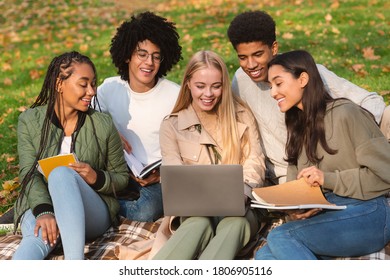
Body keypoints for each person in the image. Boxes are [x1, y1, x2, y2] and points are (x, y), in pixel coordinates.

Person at [254, 50, 390, 260]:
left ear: (303, 79)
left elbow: (386, 175)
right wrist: (295, 211)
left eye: (278, 83)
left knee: (281, 236)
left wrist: (328, 179)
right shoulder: (297, 128)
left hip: (369, 212)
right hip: (326, 216)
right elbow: (295, 189)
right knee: (264, 258)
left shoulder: (346, 113)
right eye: (271, 86)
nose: (272, 93)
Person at [227, 10, 390, 185]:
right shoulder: (240, 81)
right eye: (243, 58)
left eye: (258, 55)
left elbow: (372, 103)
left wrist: (349, 144)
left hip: (325, 166)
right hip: (282, 173)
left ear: (274, 48)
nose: (251, 65)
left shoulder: (307, 72)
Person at [12, 51, 129, 260]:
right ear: (59, 84)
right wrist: (44, 211)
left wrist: (97, 177)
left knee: (60, 174)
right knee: (36, 238)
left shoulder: (102, 124)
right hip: (42, 206)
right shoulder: (30, 121)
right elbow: (28, 174)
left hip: (91, 212)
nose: (92, 91)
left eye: (93, 84)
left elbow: (121, 177)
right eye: (83, 84)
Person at [152, 50, 266, 260]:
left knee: (235, 224)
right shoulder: (172, 125)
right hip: (194, 211)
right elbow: (174, 175)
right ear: (188, 84)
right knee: (198, 223)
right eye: (200, 86)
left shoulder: (241, 115)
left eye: (216, 86)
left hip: (239, 210)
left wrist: (241, 192)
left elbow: (255, 162)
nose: (208, 94)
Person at [96, 11, 182, 222]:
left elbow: (190, 145)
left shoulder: (175, 95)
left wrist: (162, 175)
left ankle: (103, 208)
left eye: (156, 56)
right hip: (117, 172)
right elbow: (84, 116)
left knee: (146, 212)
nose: (149, 63)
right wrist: (110, 130)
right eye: (141, 54)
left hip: (155, 179)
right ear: (127, 55)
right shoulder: (109, 88)